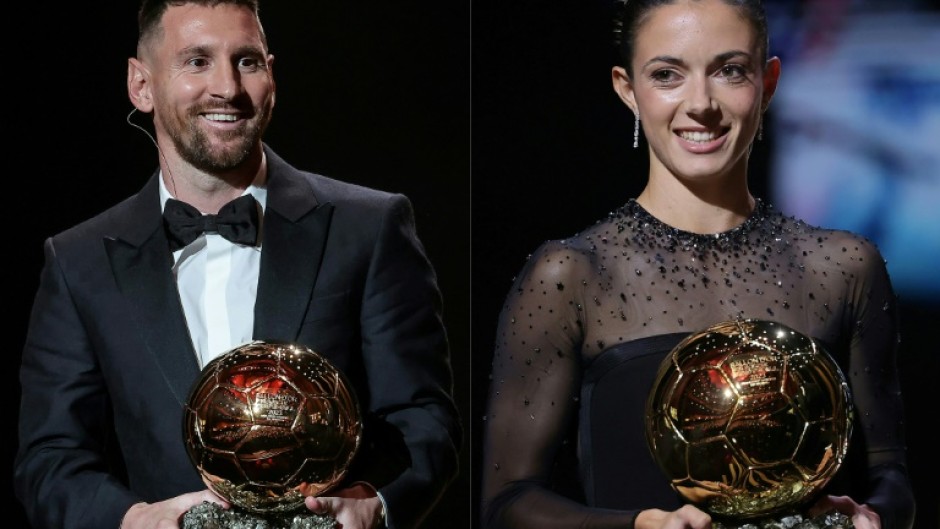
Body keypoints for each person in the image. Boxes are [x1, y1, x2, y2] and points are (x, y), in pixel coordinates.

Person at [13, 1, 461, 528]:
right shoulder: (77, 261)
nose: (227, 87)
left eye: (246, 61)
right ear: (141, 85)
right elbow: (49, 458)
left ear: (271, 75)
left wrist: (373, 503)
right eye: (197, 61)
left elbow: (424, 421)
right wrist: (133, 520)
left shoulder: (370, 226)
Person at [479, 1, 916, 529]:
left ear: (769, 81)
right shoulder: (572, 274)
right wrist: (639, 526)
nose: (701, 104)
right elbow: (506, 502)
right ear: (627, 89)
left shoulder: (844, 267)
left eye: (730, 71)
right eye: (667, 75)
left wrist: (871, 518)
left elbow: (889, 474)